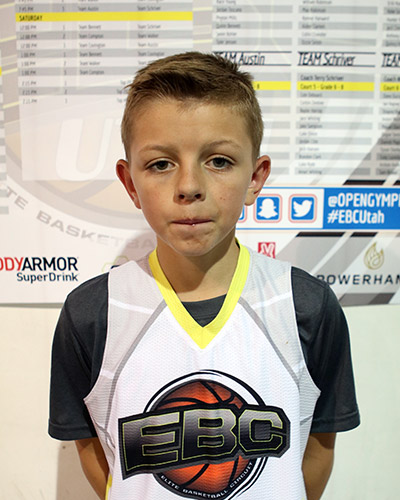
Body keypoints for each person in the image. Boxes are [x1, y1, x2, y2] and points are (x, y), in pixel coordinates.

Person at [49, 52, 360, 500]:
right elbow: (95, 451)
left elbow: (316, 449)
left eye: (218, 161)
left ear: (255, 177)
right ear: (131, 183)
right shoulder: (91, 313)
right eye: (161, 164)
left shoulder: (306, 306)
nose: (189, 186)